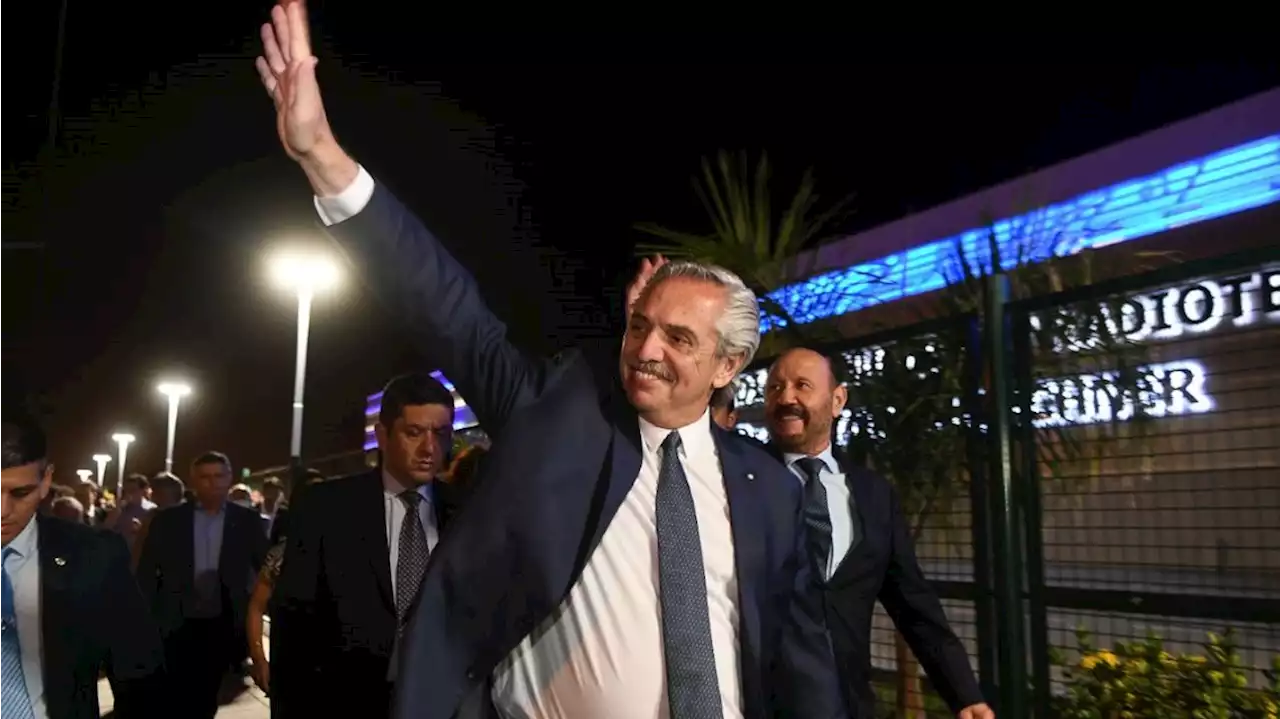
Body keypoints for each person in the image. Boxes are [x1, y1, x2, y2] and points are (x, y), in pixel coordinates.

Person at [255, 6, 845, 718]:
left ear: (730, 364)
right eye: (640, 325)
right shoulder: (558, 412)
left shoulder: (770, 493)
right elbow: (444, 305)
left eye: (680, 339)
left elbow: (803, 668)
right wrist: (322, 154)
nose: (649, 349)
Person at [763, 347, 993, 719]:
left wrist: (964, 695)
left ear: (838, 400)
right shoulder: (742, 481)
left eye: (802, 386)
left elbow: (913, 602)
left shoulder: (874, 495)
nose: (786, 398)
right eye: (774, 388)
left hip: (850, 705)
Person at [271, 373, 463, 716]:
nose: (429, 448)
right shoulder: (325, 506)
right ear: (383, 436)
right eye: (414, 433)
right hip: (346, 701)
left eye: (441, 434)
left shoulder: (467, 511)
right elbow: (294, 625)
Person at [0, 411, 166, 717]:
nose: (2, 510)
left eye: (20, 493)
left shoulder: (94, 555)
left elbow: (137, 673)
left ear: (46, 480)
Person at [136, 451, 269, 719]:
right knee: (178, 694)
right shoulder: (170, 520)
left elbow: (264, 569)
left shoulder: (246, 521)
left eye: (219, 476)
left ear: (229, 478)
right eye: (205, 477)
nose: (213, 483)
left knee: (207, 695)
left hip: (223, 623)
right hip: (177, 622)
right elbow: (147, 573)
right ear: (193, 481)